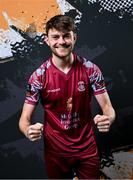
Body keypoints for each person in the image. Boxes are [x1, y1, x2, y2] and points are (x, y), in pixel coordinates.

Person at [19, 14, 115, 179]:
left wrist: (108, 119)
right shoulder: (38, 77)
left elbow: (108, 108)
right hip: (55, 152)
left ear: (74, 38)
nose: (61, 41)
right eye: (55, 37)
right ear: (47, 40)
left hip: (87, 148)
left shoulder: (90, 70)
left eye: (66, 36)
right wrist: (28, 130)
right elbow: (24, 119)